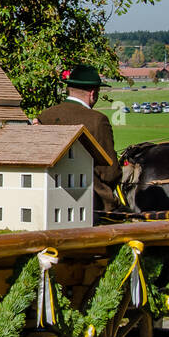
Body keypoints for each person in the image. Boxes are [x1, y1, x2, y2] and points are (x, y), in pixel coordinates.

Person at [35, 64, 122, 222]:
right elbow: (110, 173)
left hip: (46, 197)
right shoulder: (98, 120)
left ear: (70, 89)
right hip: (93, 201)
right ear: (93, 93)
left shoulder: (45, 116)